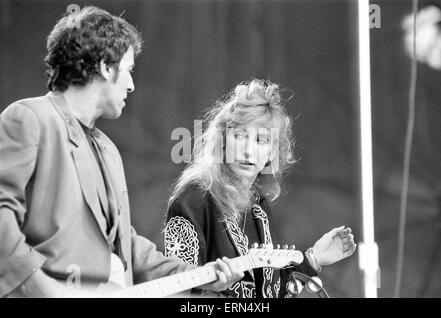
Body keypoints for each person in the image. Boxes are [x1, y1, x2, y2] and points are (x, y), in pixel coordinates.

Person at [0, 6, 243, 298]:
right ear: (105, 66)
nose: (131, 85)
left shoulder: (108, 150)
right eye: (128, 70)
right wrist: (44, 290)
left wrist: (200, 276)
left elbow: (125, 245)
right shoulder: (29, 117)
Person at [164, 79, 357, 298]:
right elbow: (179, 292)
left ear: (272, 153)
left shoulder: (257, 206)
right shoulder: (192, 201)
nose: (248, 151)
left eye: (261, 140)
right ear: (223, 141)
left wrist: (313, 259)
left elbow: (268, 293)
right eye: (240, 136)